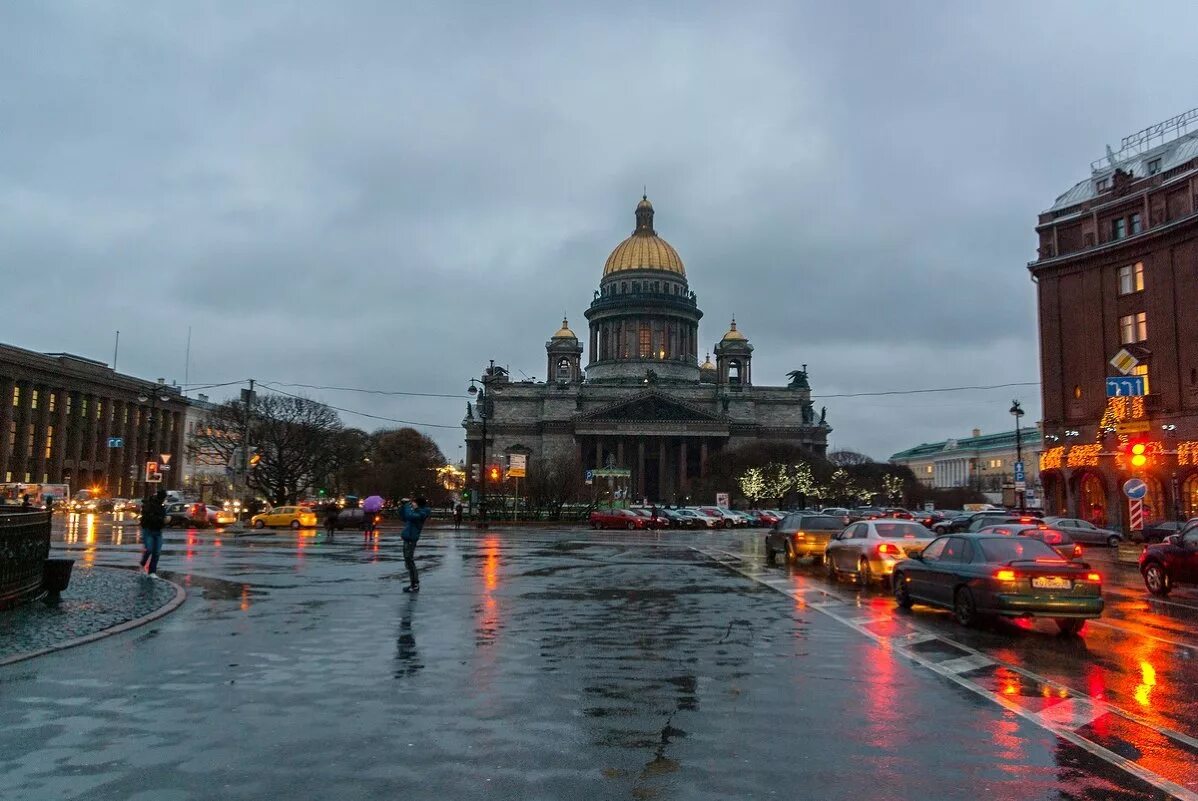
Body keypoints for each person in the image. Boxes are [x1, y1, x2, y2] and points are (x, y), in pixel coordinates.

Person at [399, 496, 432, 593]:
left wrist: (407, 506)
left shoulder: (421, 513)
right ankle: (413, 583)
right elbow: (404, 517)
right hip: (408, 538)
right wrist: (402, 507)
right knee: (408, 561)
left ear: (418, 504)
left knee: (410, 561)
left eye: (413, 503)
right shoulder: (416, 511)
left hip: (411, 538)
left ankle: (415, 584)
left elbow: (410, 516)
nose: (412, 504)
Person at [139, 489, 168, 577]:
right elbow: (149, 517)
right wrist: (162, 520)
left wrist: (165, 520)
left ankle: (152, 572)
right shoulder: (151, 505)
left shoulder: (162, 506)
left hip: (158, 530)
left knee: (156, 552)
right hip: (149, 530)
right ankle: (143, 564)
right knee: (149, 549)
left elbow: (162, 518)